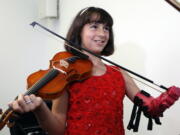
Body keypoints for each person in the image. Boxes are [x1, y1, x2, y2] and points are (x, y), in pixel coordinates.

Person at [9, 7, 180, 135]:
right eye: (94, 26)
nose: (102, 33)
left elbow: (150, 107)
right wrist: (40, 109)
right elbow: (58, 130)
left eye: (106, 28)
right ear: (79, 32)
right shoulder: (66, 73)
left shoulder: (118, 73)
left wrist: (166, 98)